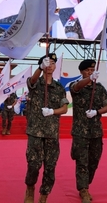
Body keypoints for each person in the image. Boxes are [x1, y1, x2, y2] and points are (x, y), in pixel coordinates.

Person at [24, 53, 68, 203]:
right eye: (47, 63)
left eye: (53, 63)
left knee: (50, 167)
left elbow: (64, 108)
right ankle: (30, 188)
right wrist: (39, 67)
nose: (50, 65)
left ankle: (44, 195)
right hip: (35, 132)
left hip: (51, 133)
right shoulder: (36, 83)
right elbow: (31, 81)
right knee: (33, 165)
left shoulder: (59, 87)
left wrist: (52, 112)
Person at [69, 59, 107, 203]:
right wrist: (88, 79)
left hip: (96, 132)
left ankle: (86, 183)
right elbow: (76, 88)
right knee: (82, 161)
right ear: (82, 72)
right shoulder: (76, 86)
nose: (90, 72)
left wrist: (97, 112)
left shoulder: (99, 88)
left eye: (92, 70)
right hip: (80, 131)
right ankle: (83, 189)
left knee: (94, 161)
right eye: (87, 70)